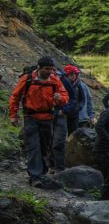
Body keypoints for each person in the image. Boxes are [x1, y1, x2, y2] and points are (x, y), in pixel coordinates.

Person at [8, 57, 69, 187]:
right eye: (47, 69)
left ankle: (42, 172)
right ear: (39, 67)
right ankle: (35, 176)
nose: (50, 72)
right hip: (31, 117)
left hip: (48, 118)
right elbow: (15, 96)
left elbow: (65, 97)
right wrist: (13, 115)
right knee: (33, 146)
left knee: (44, 146)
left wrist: (60, 99)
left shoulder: (55, 80)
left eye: (52, 69)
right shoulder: (27, 79)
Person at [63, 65, 94, 132]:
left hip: (82, 118)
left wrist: (91, 116)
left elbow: (88, 101)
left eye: (76, 74)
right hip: (65, 117)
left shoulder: (83, 86)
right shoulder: (61, 86)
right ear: (66, 75)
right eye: (71, 74)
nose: (74, 76)